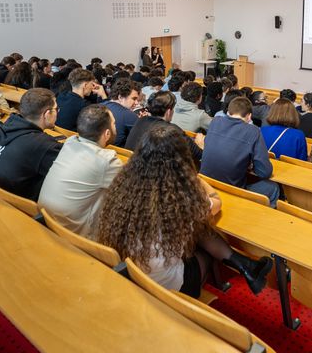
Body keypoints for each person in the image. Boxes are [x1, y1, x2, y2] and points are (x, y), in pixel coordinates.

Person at [98, 125, 273, 297]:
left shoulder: (125, 186)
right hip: (166, 284)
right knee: (203, 231)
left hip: (133, 269)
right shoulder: (182, 198)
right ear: (181, 160)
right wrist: (194, 178)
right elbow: (216, 203)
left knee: (197, 226)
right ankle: (242, 269)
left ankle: (246, 266)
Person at [38, 105, 122, 238]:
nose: (115, 127)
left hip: (44, 220)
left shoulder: (70, 142)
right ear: (107, 134)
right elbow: (128, 192)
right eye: (114, 124)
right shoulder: (107, 161)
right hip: (72, 236)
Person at [200, 97, 280, 207]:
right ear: (249, 116)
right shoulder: (253, 131)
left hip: (206, 184)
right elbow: (265, 172)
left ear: (228, 112)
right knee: (273, 187)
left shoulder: (215, 121)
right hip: (232, 188)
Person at [0, 88, 63, 200]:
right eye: (56, 109)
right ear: (46, 114)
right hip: (20, 204)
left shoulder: (8, 124)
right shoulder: (43, 145)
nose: (57, 112)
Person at [125, 90, 203, 161]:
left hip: (132, 165)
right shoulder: (171, 129)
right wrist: (200, 144)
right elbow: (199, 155)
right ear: (169, 112)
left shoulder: (141, 120)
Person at [103, 78, 141, 147]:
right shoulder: (129, 115)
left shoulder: (99, 106)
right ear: (120, 97)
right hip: (117, 152)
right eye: (134, 99)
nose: (136, 103)